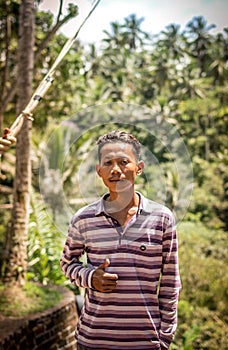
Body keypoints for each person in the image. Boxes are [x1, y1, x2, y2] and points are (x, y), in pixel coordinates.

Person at [60, 130, 181, 350]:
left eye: (124, 161)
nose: (116, 169)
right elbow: (67, 264)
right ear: (99, 171)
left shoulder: (162, 218)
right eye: (108, 163)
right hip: (93, 341)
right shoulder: (83, 219)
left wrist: (164, 338)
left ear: (139, 168)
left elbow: (171, 282)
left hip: (146, 343)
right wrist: (89, 277)